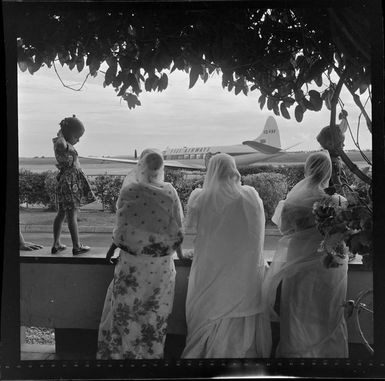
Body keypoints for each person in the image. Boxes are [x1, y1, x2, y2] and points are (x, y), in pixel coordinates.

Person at [181, 153, 271, 358]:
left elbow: (192, 226)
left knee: (209, 308)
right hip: (244, 270)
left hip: (210, 266)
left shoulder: (201, 197)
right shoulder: (250, 196)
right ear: (233, 169)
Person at [97, 148, 184, 360]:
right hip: (161, 267)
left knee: (125, 310)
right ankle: (150, 356)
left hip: (132, 265)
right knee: (154, 313)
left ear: (140, 166)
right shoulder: (170, 191)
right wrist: (181, 256)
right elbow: (177, 229)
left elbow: (121, 227)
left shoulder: (130, 191)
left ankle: (121, 356)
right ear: (161, 168)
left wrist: (110, 251)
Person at [262, 151, 349, 358]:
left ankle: (296, 359)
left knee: (297, 313)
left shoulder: (293, 202)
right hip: (330, 268)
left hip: (298, 265)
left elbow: (285, 230)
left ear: (307, 169)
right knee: (328, 313)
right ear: (329, 170)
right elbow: (346, 233)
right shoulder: (338, 201)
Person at [51, 115, 96, 255]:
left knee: (62, 213)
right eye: (77, 137)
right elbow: (61, 144)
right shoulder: (61, 143)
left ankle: (56, 243)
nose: (78, 140)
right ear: (69, 134)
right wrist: (61, 135)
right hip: (70, 183)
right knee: (72, 215)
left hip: (67, 182)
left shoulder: (64, 143)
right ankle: (76, 246)